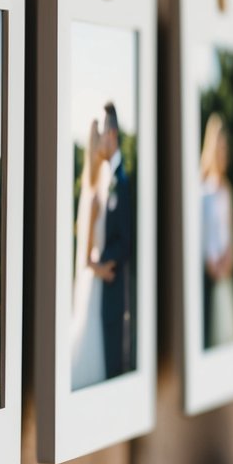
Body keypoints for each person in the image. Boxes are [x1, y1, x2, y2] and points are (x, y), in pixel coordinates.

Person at [70, 119, 110, 389]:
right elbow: (85, 258)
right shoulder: (94, 198)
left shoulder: (91, 193)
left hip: (91, 280)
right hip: (94, 278)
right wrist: (104, 270)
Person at [97, 103, 133, 379]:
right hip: (102, 286)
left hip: (115, 288)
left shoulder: (122, 181)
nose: (98, 140)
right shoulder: (107, 178)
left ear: (112, 134)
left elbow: (126, 239)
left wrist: (102, 264)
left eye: (101, 133)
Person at [200, 112, 233, 348]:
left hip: (224, 272)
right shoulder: (202, 189)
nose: (223, 154)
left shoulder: (227, 189)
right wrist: (210, 263)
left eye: (226, 148)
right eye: (219, 147)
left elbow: (230, 234)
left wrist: (229, 259)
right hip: (210, 271)